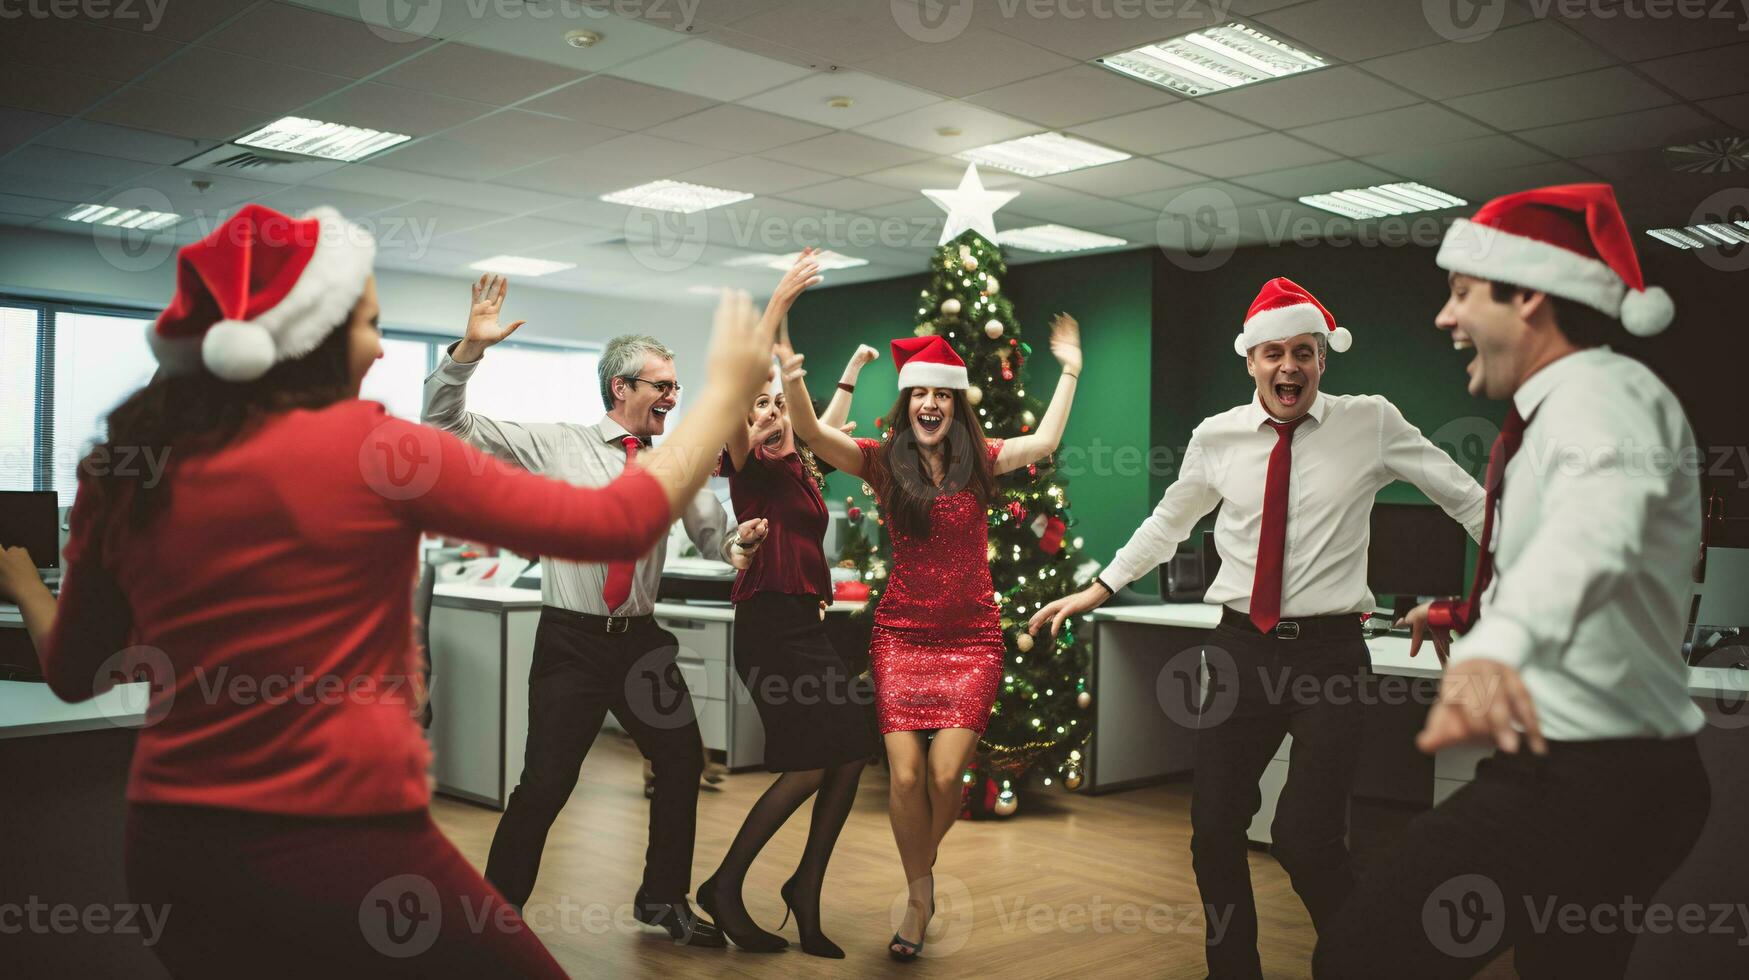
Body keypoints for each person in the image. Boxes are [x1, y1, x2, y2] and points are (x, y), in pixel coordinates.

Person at [29, 203, 778, 978]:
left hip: (169, 851)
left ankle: (658, 897)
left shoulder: (120, 470)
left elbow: (73, 671)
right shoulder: (373, 449)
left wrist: (23, 579)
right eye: (368, 324)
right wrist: (725, 396)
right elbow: (613, 525)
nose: (380, 346)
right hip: (344, 838)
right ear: (311, 342)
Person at [1030, 278, 1487, 980]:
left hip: (1331, 658)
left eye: (1302, 352)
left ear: (1321, 360)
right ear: (1250, 360)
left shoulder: (1368, 421)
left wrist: (1507, 577)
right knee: (1211, 834)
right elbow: (1168, 522)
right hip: (1239, 652)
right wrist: (1100, 586)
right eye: (1273, 352)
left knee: (1304, 840)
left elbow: (1466, 500)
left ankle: (1364, 962)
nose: (1288, 367)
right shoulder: (1215, 438)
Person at [1313, 184, 1711, 979]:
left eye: (1460, 293)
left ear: (1526, 294)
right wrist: (1464, 611)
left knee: (1359, 956)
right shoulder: (1559, 410)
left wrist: (1507, 641)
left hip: (1584, 774)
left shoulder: (1599, 397)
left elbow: (1593, 536)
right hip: (1623, 778)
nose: (1443, 318)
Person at [423, 273, 771, 948]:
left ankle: (661, 900)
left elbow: (712, 538)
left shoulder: (675, 460)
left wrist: (740, 542)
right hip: (572, 641)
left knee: (679, 763)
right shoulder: (558, 446)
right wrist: (469, 348)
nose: (674, 397)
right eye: (661, 386)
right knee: (545, 785)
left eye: (676, 386)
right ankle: (494, 918)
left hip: (639, 641)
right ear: (622, 388)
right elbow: (443, 423)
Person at [781, 316, 1084, 961]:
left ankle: (920, 863)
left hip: (972, 638)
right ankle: (919, 898)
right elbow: (809, 432)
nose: (930, 404)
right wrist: (793, 378)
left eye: (942, 395)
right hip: (901, 637)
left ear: (956, 404)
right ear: (907, 402)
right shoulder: (880, 464)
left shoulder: (985, 460)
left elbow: (1049, 437)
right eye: (921, 394)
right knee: (905, 775)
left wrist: (1072, 369)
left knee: (946, 779)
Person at [696, 252, 880, 959]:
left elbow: (820, 426)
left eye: (776, 404)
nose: (770, 411)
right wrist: (776, 306)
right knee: (810, 761)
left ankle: (805, 886)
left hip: (807, 628)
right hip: (770, 628)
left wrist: (849, 374)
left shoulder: (799, 473)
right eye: (759, 406)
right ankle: (724, 885)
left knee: (850, 750)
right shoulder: (749, 470)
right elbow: (744, 390)